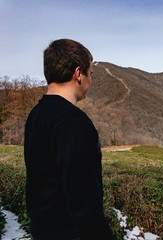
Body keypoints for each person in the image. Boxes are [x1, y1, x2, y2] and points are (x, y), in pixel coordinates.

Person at [24, 39, 115, 240]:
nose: (90, 81)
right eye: (90, 74)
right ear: (78, 74)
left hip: (41, 231)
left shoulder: (36, 114)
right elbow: (84, 202)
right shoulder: (74, 123)